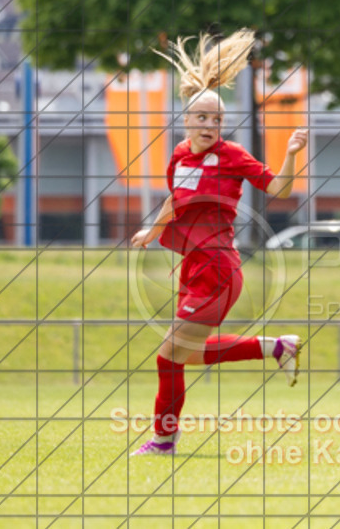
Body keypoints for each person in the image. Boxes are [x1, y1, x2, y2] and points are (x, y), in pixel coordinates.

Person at [129, 29, 308, 456]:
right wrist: (152, 231)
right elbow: (176, 200)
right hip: (192, 269)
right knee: (182, 356)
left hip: (219, 270)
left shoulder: (233, 155)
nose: (210, 125)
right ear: (187, 120)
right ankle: (275, 347)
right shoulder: (179, 154)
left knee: (169, 357)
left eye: (217, 119)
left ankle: (163, 441)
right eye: (202, 118)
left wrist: (291, 154)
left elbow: (278, 188)